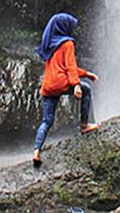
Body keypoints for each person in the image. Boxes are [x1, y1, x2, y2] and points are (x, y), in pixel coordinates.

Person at [32, 12, 99, 165]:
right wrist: (76, 85)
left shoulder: (50, 45)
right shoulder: (67, 43)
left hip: (48, 86)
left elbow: (65, 66)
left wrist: (86, 73)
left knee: (46, 121)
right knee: (86, 89)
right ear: (64, 27)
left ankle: (36, 151)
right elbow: (69, 67)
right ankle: (84, 124)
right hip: (61, 83)